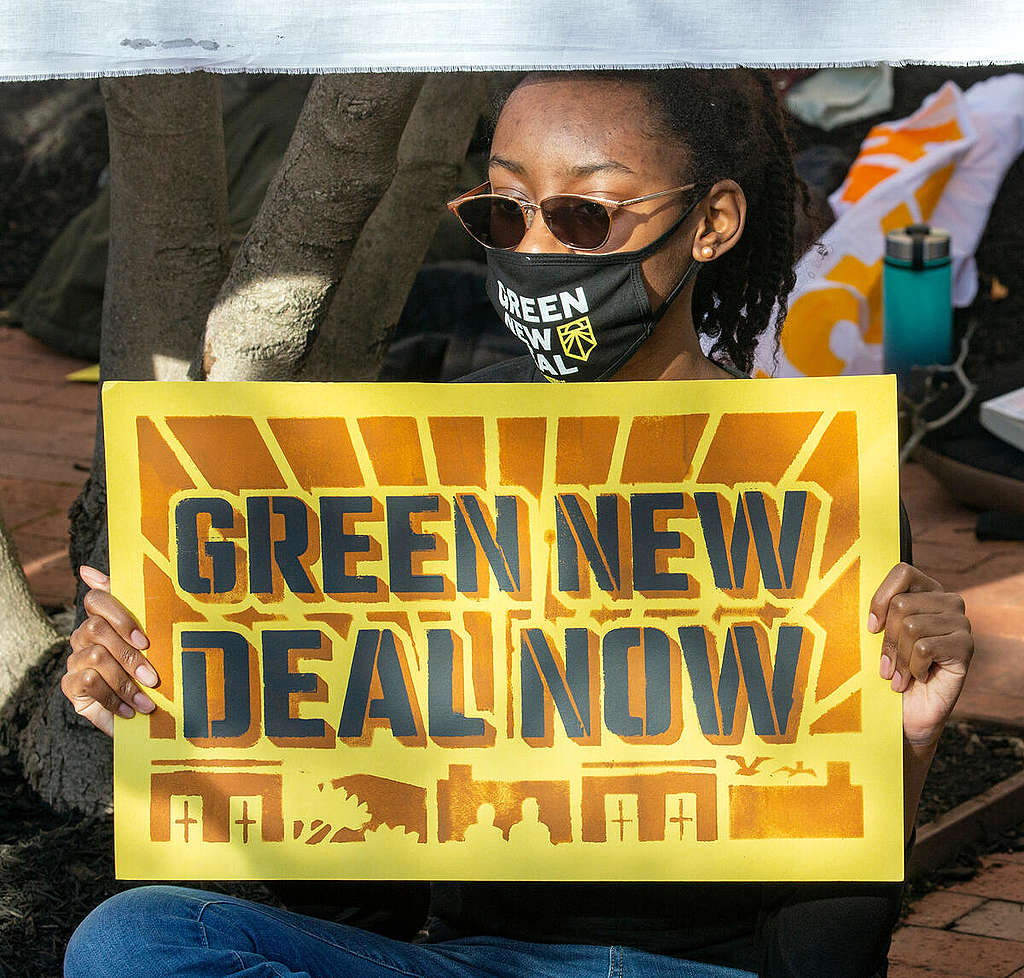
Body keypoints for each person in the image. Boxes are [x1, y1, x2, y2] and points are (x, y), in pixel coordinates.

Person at [62, 69, 974, 978]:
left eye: (584, 214)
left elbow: (832, 950)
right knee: (133, 937)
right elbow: (370, 902)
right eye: (504, 212)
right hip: (480, 965)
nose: (535, 245)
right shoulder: (432, 456)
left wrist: (909, 743)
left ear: (712, 222)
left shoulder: (809, 479)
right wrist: (183, 711)